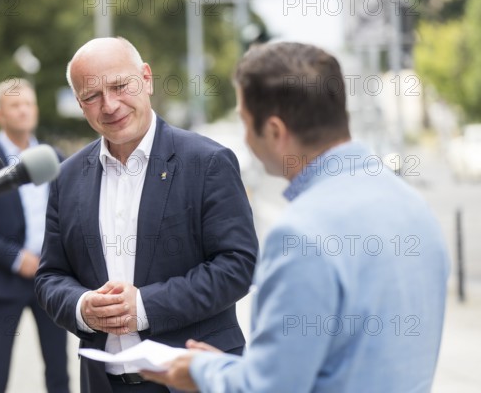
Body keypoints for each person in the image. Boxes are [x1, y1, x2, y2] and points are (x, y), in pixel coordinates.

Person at [141, 42, 451, 392]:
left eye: (244, 121)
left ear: (275, 131)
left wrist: (200, 373)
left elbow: (270, 388)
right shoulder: (413, 206)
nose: (245, 137)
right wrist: (228, 367)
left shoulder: (302, 235)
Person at [34, 37, 258, 393]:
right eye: (92, 96)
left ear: (147, 79)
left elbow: (238, 265)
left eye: (120, 86)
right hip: (102, 382)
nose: (109, 105)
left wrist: (142, 305)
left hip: (192, 379)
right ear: (80, 104)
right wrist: (81, 307)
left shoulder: (207, 162)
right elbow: (50, 276)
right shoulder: (67, 176)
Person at [0, 78, 70, 393]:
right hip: (4, 281)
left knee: (59, 370)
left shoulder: (54, 158)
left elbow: (68, 216)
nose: (24, 111)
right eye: (15, 105)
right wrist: (17, 259)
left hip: (50, 280)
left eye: (28, 104)